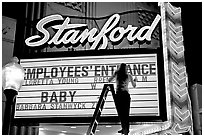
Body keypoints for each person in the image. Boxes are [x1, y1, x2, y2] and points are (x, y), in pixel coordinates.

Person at [108, 63, 136, 135]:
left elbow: (109, 80)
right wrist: (135, 80)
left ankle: (124, 128)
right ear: (126, 68)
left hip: (119, 95)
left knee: (121, 113)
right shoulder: (129, 75)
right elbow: (134, 85)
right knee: (126, 113)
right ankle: (126, 129)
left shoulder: (117, 74)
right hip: (126, 95)